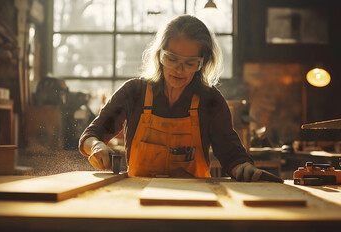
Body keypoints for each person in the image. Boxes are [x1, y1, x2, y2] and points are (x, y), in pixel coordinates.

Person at [79, 15, 283, 183]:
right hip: (138, 197)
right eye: (172, 58)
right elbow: (92, 134)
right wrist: (96, 146)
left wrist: (243, 168)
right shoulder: (135, 92)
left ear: (202, 64)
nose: (179, 69)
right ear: (159, 55)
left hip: (197, 199)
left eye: (190, 62)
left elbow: (230, 151)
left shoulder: (209, 100)